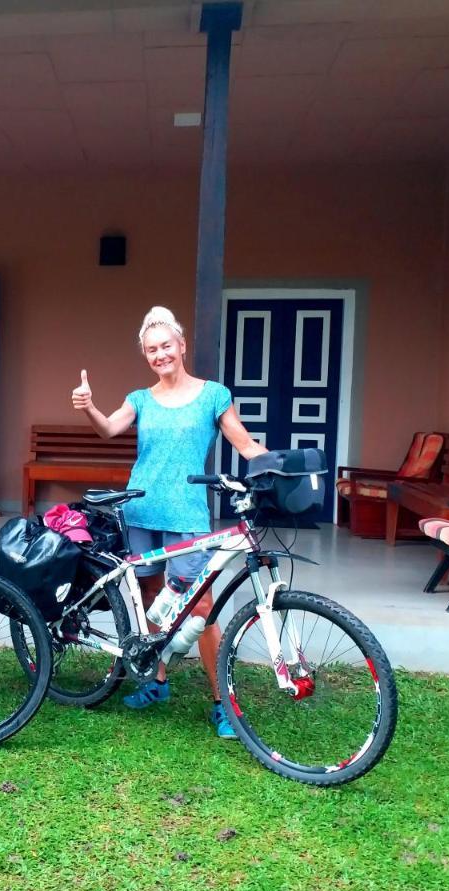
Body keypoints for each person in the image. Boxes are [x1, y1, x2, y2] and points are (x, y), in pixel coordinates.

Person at [71, 305, 265, 738]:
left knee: (202, 607)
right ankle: (158, 681)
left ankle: (223, 702)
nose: (160, 355)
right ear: (146, 355)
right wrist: (88, 407)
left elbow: (244, 442)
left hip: (187, 515)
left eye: (166, 346)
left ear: (182, 345)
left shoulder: (214, 394)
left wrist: (272, 462)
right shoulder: (140, 399)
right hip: (141, 511)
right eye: (151, 350)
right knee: (152, 597)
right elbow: (107, 429)